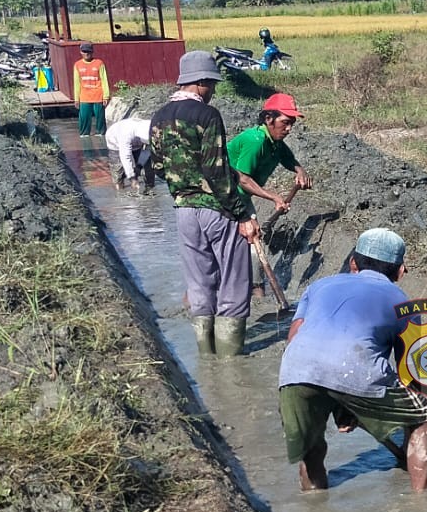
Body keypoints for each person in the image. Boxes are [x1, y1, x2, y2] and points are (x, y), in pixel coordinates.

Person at [277, 227, 427, 494]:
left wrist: (341, 399)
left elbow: (294, 338)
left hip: (295, 372)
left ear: (353, 263)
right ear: (400, 271)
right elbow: (409, 371)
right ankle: (422, 509)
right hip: (355, 371)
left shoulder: (318, 286)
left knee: (311, 453)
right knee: (423, 418)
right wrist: (407, 412)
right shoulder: (402, 302)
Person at [147, 51, 261, 357]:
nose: (213, 90)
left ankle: (206, 357)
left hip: (184, 210)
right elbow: (216, 169)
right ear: (200, 83)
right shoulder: (207, 116)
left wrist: (183, 185)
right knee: (235, 283)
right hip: (217, 209)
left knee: (199, 282)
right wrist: (241, 214)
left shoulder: (158, 117)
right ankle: (231, 360)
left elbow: (156, 166)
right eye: (212, 84)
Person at [227, 93, 311, 217]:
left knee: (253, 234)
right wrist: (274, 197)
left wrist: (300, 171)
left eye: (292, 124)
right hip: (223, 198)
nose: (289, 129)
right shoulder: (255, 141)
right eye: (285, 122)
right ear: (268, 119)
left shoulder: (275, 142)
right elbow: (243, 180)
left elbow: (288, 159)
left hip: (240, 197)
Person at [105, 111, 154, 191]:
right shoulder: (126, 134)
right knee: (118, 171)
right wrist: (132, 178)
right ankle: (120, 189)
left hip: (137, 143)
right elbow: (125, 156)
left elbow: (147, 150)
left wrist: (139, 166)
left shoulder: (149, 126)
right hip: (114, 141)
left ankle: (150, 187)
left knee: (149, 165)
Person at [73, 42, 111, 138]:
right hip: (84, 97)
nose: (87, 54)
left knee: (100, 120)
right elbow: (76, 83)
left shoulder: (99, 63)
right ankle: (85, 137)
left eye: (88, 51)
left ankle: (101, 136)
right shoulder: (77, 65)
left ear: (92, 52)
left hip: (98, 96)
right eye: (84, 51)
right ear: (80, 52)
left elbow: (104, 80)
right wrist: (76, 99)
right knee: (84, 119)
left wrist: (106, 96)